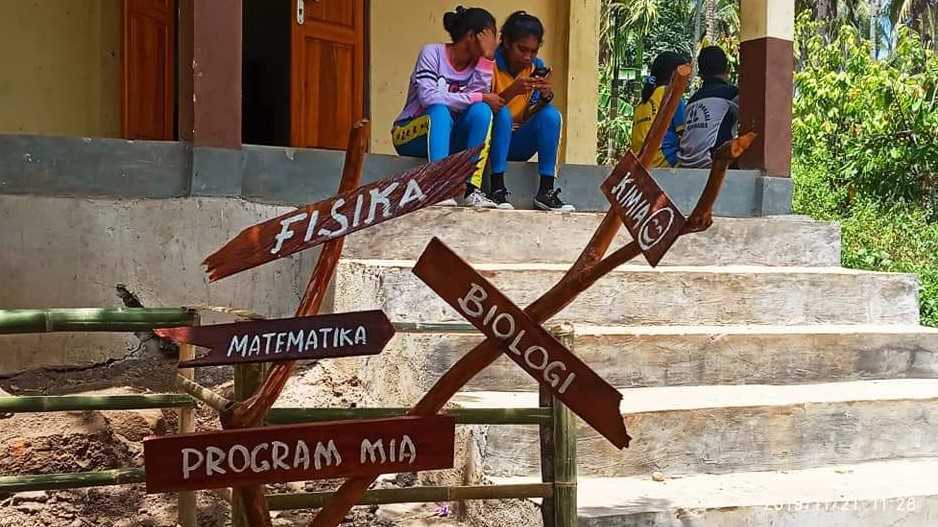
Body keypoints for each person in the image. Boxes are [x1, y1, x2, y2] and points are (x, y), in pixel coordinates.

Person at [391, 6, 504, 207]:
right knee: (439, 111)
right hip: (411, 133)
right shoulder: (432, 53)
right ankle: (438, 187)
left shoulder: (480, 64)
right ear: (472, 36)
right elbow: (428, 97)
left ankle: (471, 190)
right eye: (490, 36)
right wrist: (479, 97)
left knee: (482, 111)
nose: (494, 43)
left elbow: (478, 100)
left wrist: (487, 59)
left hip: (451, 139)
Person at [489, 11, 574, 212]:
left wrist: (544, 98)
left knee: (551, 115)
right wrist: (512, 91)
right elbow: (483, 109)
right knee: (503, 115)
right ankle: (497, 188)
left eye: (533, 51)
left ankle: (546, 191)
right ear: (506, 42)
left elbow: (529, 114)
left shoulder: (536, 67)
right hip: (489, 143)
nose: (527, 57)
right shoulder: (489, 63)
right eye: (521, 49)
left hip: (518, 141)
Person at [678, 46, 739, 168]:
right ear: (727, 69)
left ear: (701, 74)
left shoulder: (691, 101)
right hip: (710, 164)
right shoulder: (732, 94)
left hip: (684, 163)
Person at [629, 51, 690, 168]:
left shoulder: (642, 102)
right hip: (666, 162)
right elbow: (685, 134)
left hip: (642, 166)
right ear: (675, 74)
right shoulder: (671, 96)